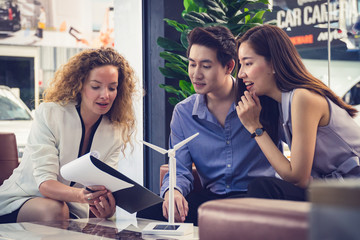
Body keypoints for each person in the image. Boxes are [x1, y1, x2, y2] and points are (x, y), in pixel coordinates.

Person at [138, 26, 278, 225]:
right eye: (192, 64)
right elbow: (179, 168)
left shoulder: (261, 102)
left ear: (229, 67)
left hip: (256, 197)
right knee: (147, 214)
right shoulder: (183, 113)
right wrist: (173, 191)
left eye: (205, 66)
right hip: (212, 200)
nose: (196, 74)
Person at [0, 48, 137, 223]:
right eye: (96, 86)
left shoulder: (115, 131)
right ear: (80, 85)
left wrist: (106, 207)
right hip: (20, 200)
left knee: (67, 212)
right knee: (55, 210)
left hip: (72, 210)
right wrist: (83, 196)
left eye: (112, 88)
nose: (105, 95)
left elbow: (102, 187)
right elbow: (45, 184)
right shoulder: (50, 114)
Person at [236, 24, 360, 201]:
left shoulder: (302, 97)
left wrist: (255, 127)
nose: (241, 73)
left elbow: (297, 177)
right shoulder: (279, 104)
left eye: (248, 63)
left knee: (263, 188)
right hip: (333, 190)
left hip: (351, 190)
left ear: (273, 63)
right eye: (241, 64)